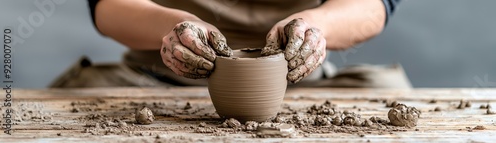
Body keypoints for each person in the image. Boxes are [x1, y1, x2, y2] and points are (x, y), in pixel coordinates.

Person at [50, 0, 411, 88]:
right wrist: (175, 27)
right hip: (155, 76)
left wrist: (317, 26)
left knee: (389, 94)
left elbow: (376, 5)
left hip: (296, 83)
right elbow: (106, 6)